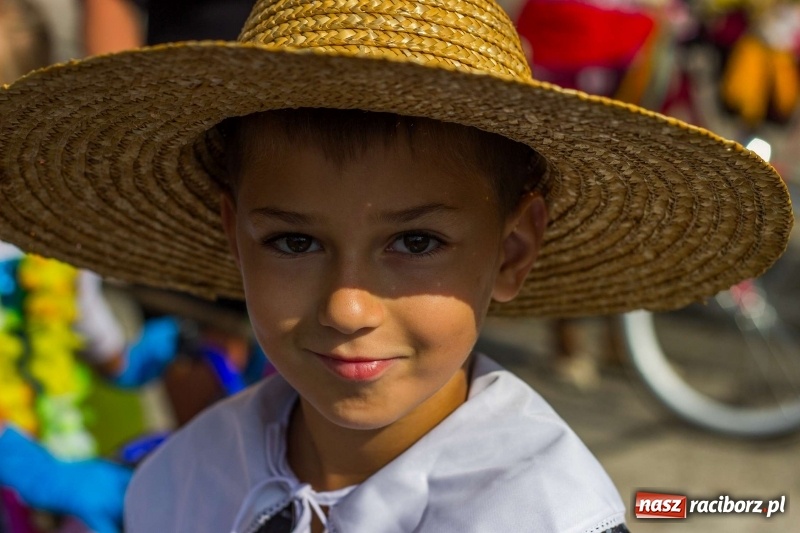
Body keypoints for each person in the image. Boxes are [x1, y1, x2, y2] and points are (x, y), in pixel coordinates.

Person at [0, 0, 792, 532]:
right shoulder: (189, 476)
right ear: (234, 237)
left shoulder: (537, 510)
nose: (348, 306)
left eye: (414, 242)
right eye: (293, 241)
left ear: (513, 249)